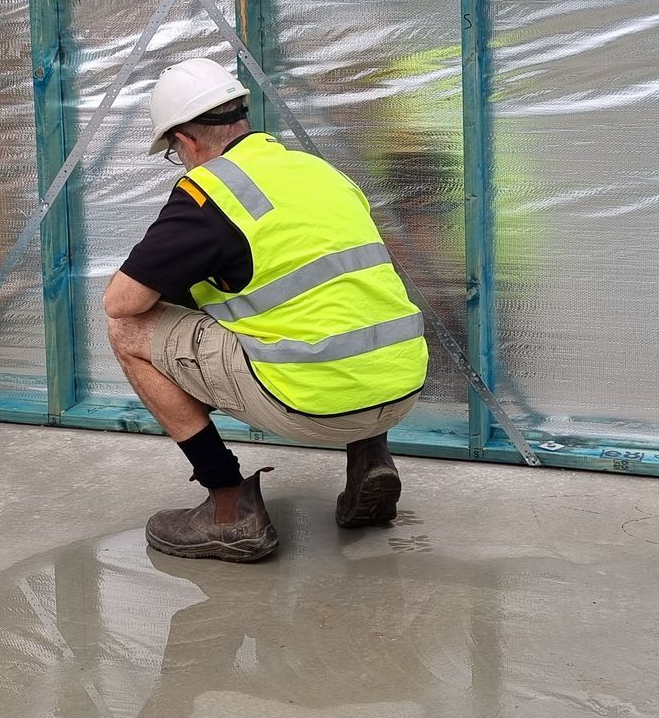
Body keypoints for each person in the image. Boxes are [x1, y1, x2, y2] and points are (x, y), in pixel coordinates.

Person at [102, 57, 429, 563]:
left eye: (173, 152)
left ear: (185, 140)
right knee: (338, 306)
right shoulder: (318, 170)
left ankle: (227, 507)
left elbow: (122, 302)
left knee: (126, 331)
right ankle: (370, 459)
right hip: (402, 386)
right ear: (240, 116)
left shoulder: (209, 194)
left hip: (316, 404)